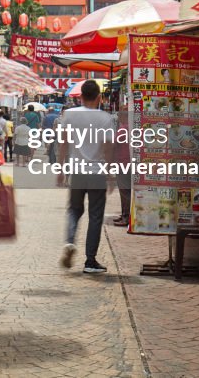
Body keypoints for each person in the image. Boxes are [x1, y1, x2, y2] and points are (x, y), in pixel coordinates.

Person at [58, 80, 116, 274]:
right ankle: (90, 261)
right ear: (99, 97)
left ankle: (69, 242)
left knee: (74, 210)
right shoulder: (106, 118)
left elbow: (64, 144)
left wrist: (61, 169)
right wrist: (110, 174)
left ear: (80, 96)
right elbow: (108, 149)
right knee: (95, 216)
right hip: (97, 172)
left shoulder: (70, 115)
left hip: (76, 171)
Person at [111, 110, 132, 227]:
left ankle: (126, 217)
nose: (118, 118)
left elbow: (113, 143)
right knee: (126, 191)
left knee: (124, 192)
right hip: (129, 164)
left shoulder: (124, 129)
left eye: (119, 115)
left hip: (123, 164)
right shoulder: (132, 128)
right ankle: (124, 214)